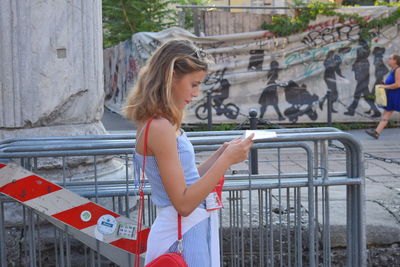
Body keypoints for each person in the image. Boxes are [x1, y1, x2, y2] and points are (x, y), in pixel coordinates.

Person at [123, 39, 254, 266]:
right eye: (194, 84)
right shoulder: (160, 127)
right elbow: (183, 204)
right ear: (171, 76)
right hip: (182, 232)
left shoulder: (160, 123)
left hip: (186, 228)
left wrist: (221, 155)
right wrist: (225, 161)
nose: (196, 93)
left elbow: (187, 180)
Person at [366, 54, 400, 139]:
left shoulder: (398, 70)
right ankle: (376, 132)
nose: (388, 60)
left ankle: (376, 132)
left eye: (390, 58)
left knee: (387, 113)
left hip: (396, 95)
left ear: (395, 60)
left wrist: (385, 86)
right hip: (392, 95)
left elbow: (398, 84)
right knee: (386, 114)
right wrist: (385, 84)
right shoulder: (394, 70)